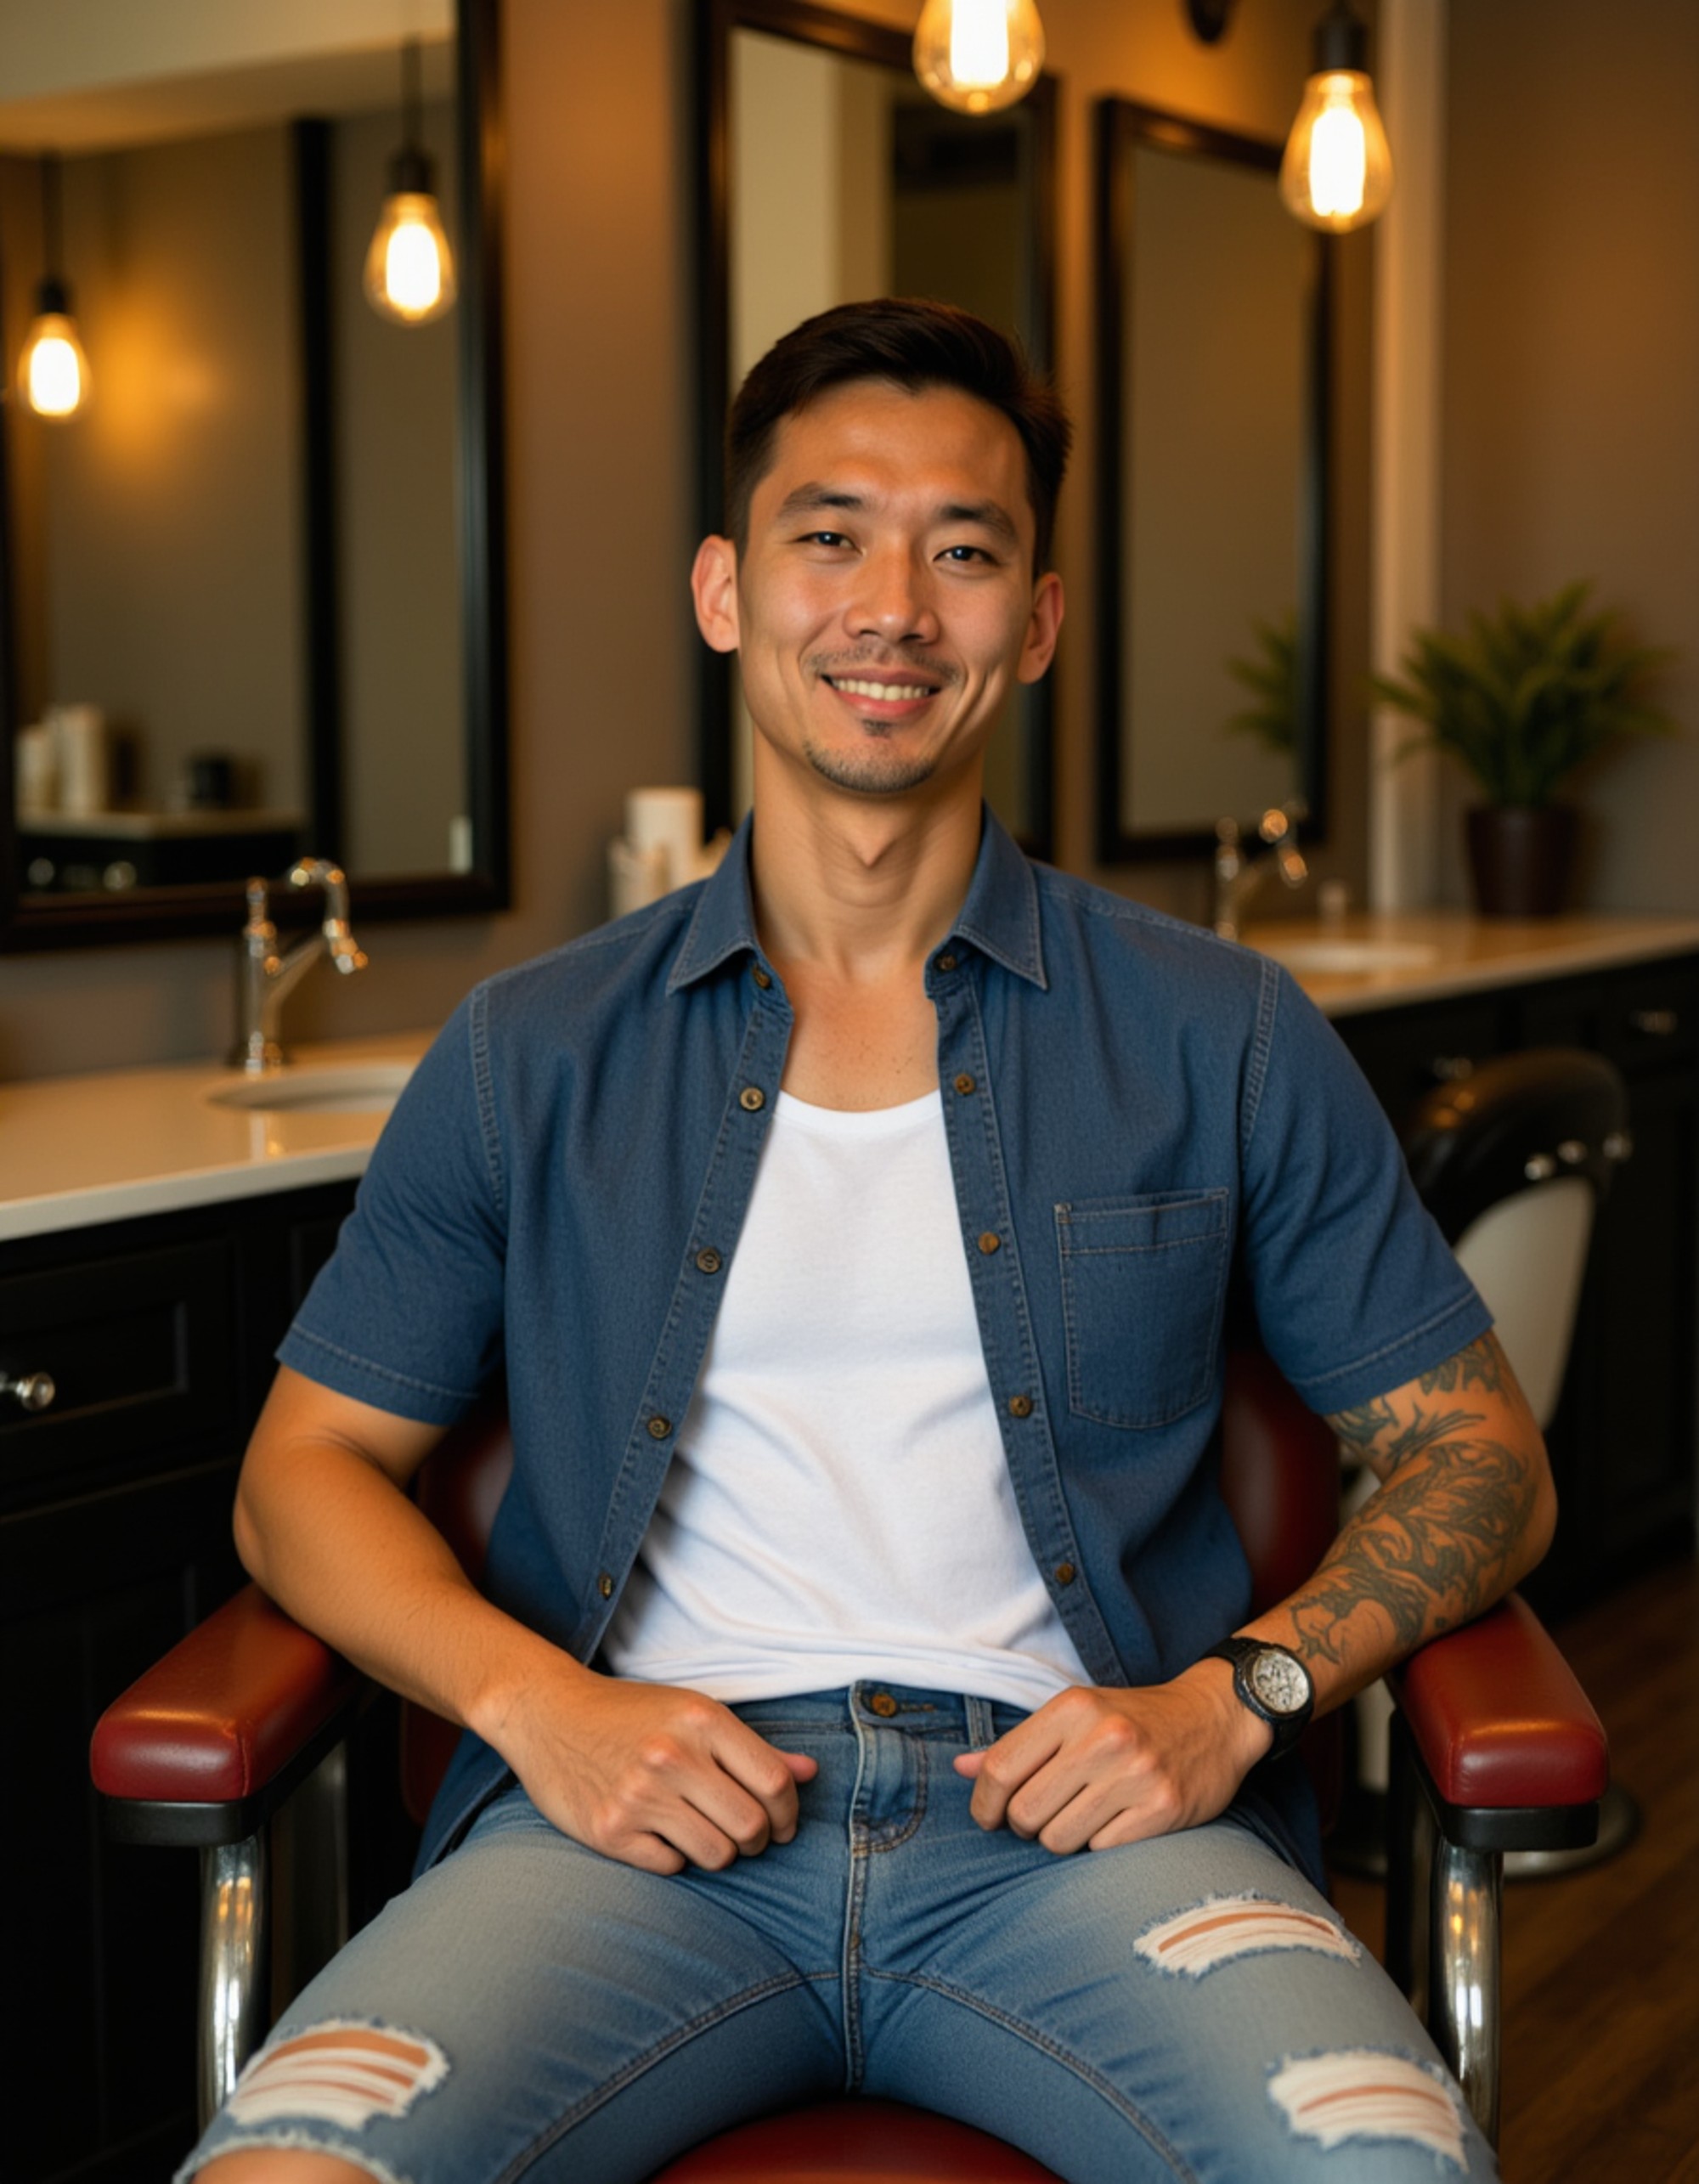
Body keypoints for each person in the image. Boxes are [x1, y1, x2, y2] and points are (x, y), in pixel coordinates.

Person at [188, 299, 1551, 2184]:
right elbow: (301, 1472)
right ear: (727, 588)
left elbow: (1478, 1449)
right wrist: (546, 1709)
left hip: (1086, 1844)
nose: (893, 605)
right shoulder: (529, 1051)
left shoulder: (1219, 1032)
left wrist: (1238, 1693)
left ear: (1038, 621)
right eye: (829, 535)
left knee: (1388, 2165)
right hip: (625, 1834)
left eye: (964, 550)